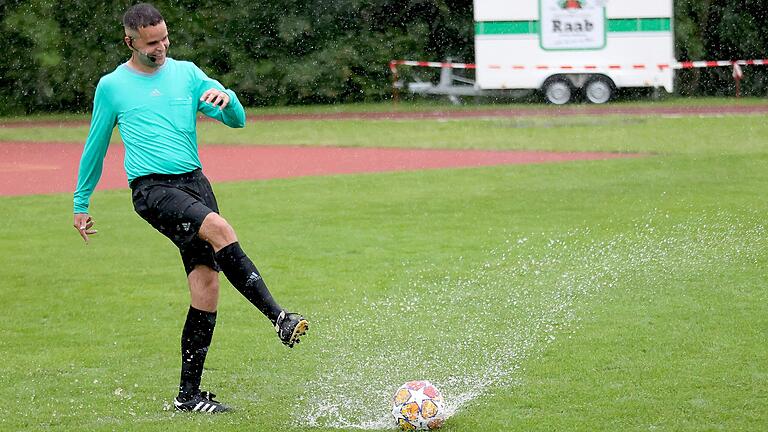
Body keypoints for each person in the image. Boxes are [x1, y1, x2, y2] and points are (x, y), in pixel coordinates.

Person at [72, 3, 308, 413]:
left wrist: (228, 99)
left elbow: (238, 120)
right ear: (129, 41)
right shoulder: (112, 86)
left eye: (164, 38)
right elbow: (95, 146)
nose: (161, 47)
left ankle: (188, 396)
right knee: (219, 229)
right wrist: (81, 201)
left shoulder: (188, 73)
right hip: (152, 189)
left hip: (195, 183)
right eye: (151, 43)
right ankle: (279, 317)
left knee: (206, 286)